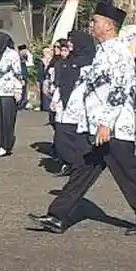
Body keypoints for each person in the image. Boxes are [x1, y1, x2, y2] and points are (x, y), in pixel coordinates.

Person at [31, 2, 136, 236]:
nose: (91, 25)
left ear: (109, 26)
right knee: (82, 170)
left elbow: (120, 89)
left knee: (128, 173)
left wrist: (105, 124)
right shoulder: (101, 51)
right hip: (97, 126)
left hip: (113, 128)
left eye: (95, 21)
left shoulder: (118, 52)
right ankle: (57, 216)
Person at [50, 31, 96, 175]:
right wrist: (55, 99)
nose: (69, 43)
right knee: (61, 137)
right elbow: (61, 83)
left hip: (80, 106)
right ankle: (69, 163)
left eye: (71, 40)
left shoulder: (90, 63)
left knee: (76, 138)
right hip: (64, 104)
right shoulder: (67, 61)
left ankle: (77, 165)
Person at [0, 32, 23, 156]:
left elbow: (18, 73)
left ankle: (5, 144)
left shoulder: (12, 55)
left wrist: (18, 90)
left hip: (8, 90)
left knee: (6, 119)